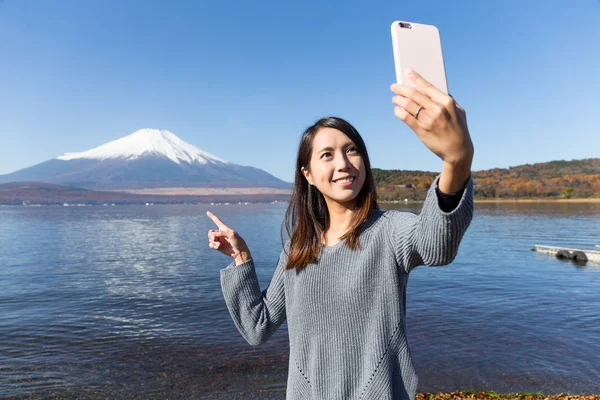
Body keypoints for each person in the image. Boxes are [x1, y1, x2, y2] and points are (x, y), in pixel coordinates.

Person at [206, 69, 474, 400]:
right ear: (308, 174)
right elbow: (257, 327)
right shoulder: (297, 249)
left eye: (352, 150)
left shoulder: (388, 230)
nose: (344, 163)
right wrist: (241, 258)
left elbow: (438, 246)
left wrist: (456, 162)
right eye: (327, 155)